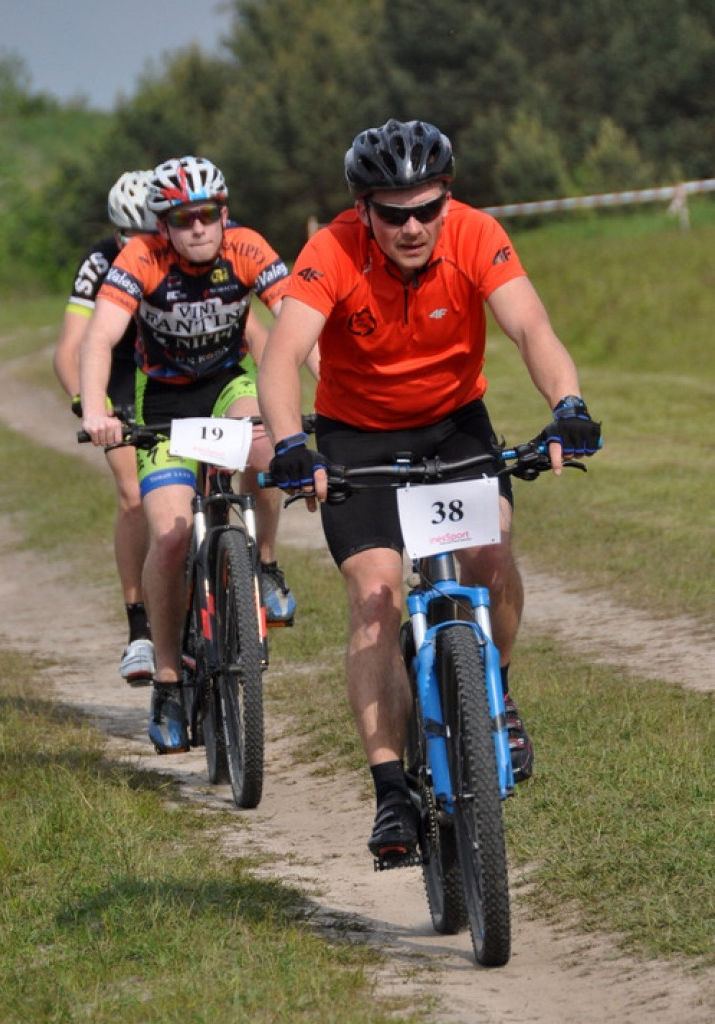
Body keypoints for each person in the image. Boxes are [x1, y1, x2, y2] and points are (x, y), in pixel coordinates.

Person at [258, 119, 602, 860]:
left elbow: (531, 328)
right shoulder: (332, 251)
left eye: (428, 207)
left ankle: (497, 698)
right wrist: (292, 444)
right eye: (393, 212)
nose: (413, 226)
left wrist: (567, 406)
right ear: (363, 209)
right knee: (376, 596)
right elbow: (284, 355)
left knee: (491, 559)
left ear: (448, 198)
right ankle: (390, 795)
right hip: (357, 437)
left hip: (454, 427)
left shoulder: (475, 234)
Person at [79, 155, 294, 754]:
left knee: (273, 451)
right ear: (163, 226)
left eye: (206, 216)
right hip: (164, 403)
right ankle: (169, 680)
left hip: (228, 384)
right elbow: (100, 336)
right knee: (172, 539)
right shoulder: (139, 258)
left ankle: (267, 567)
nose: (196, 229)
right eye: (181, 219)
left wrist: (335, 393)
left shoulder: (248, 249)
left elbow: (301, 318)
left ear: (224, 215)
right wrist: (97, 409)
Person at [54, 169, 157, 684]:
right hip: (118, 371)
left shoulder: (187, 245)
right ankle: (140, 628)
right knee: (134, 493)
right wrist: (87, 405)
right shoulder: (98, 262)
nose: (138, 247)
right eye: (126, 237)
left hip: (177, 367)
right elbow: (70, 349)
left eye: (150, 235)